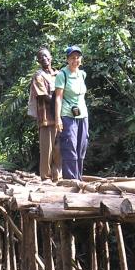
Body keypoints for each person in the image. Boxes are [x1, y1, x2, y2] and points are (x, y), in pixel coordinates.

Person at [54, 45, 88, 180]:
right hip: (67, 116)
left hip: (83, 115)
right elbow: (58, 97)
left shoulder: (82, 74)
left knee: (81, 147)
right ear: (67, 60)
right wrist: (58, 119)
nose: (76, 60)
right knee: (70, 147)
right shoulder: (62, 75)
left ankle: (78, 178)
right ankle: (71, 181)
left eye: (78, 57)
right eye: (72, 58)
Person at [28, 48, 61, 181]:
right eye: (41, 57)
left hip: (59, 118)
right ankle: (46, 178)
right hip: (46, 118)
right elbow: (45, 96)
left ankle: (58, 176)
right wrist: (59, 99)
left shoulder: (58, 74)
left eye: (46, 56)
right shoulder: (38, 76)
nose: (44, 59)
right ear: (38, 61)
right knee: (47, 150)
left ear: (51, 57)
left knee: (58, 149)